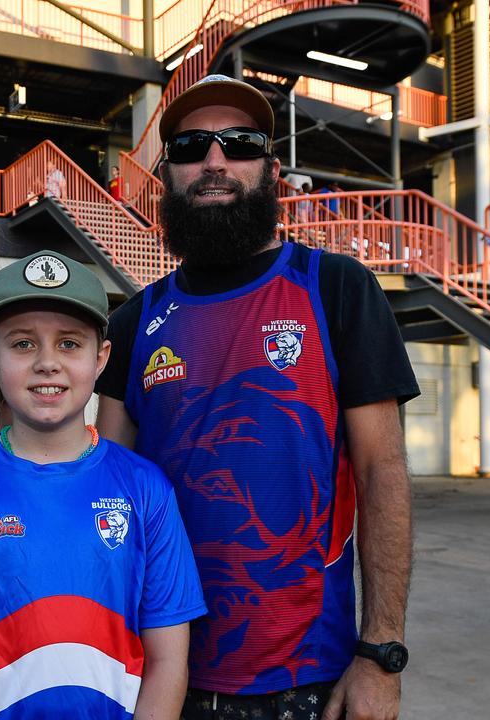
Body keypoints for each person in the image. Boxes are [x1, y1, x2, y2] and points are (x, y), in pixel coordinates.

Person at [95, 74, 419, 720]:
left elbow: (384, 474)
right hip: (162, 681)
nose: (214, 162)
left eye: (237, 143)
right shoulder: (135, 324)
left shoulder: (337, 291)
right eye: (190, 148)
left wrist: (381, 654)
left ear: (271, 170)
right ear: (169, 178)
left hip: (306, 685)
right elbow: (104, 497)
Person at [0, 251, 207, 718]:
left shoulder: (146, 491)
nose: (47, 363)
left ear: (101, 359)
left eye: (70, 344)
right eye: (22, 344)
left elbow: (169, 662)